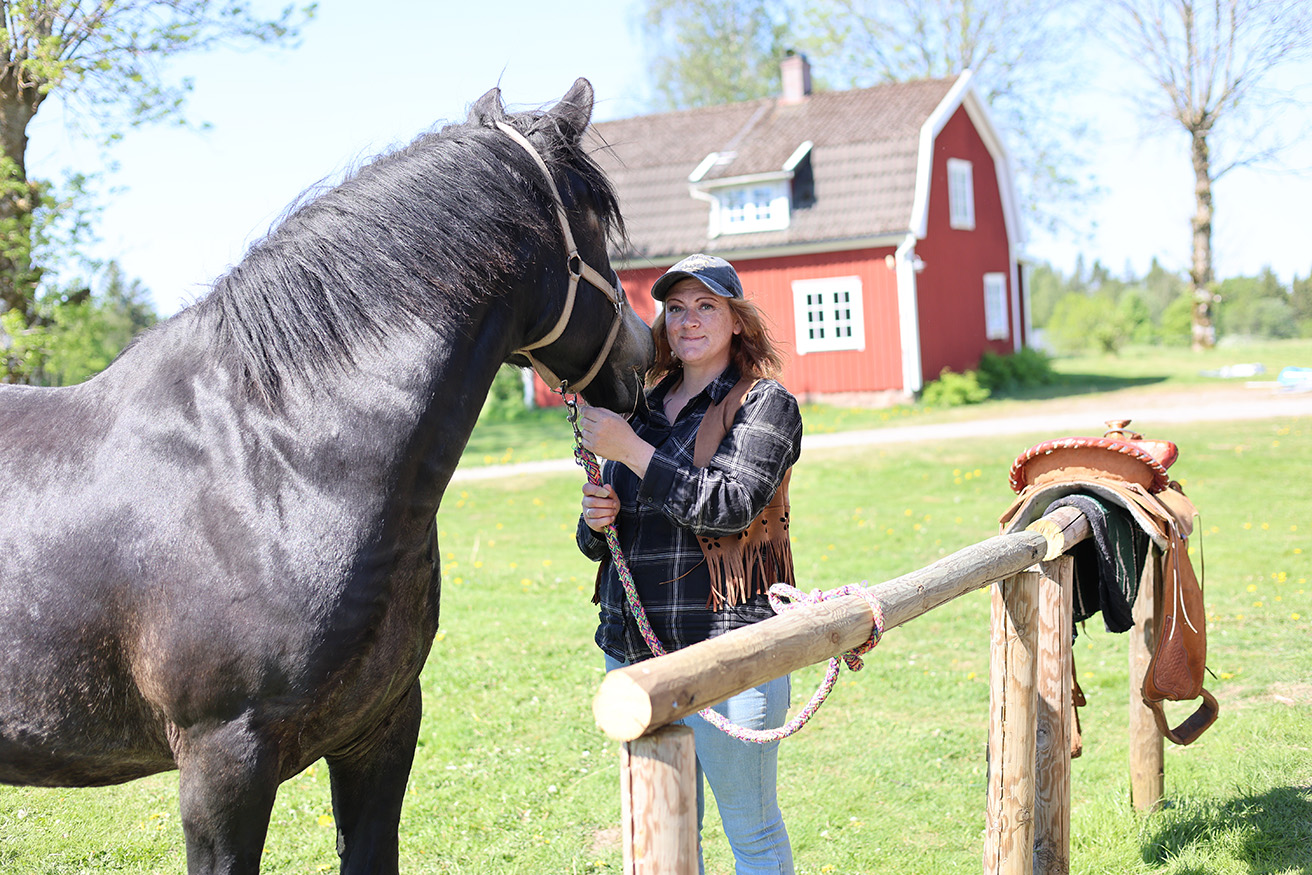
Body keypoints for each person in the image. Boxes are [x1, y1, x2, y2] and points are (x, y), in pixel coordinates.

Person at [575, 253, 801, 875]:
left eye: (706, 306)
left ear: (736, 321)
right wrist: (596, 518)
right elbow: (602, 544)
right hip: (634, 648)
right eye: (676, 308)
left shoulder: (766, 405)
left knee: (749, 831)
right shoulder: (639, 408)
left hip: (730, 647)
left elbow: (729, 506)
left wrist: (634, 453)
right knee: (663, 827)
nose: (689, 321)